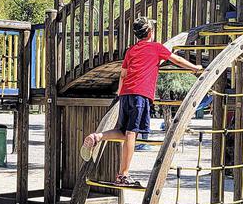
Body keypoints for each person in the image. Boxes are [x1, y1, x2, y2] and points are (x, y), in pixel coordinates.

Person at [80, 16, 202, 186]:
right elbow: (177, 60)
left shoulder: (131, 51)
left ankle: (97, 136)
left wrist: (119, 94)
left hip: (126, 95)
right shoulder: (156, 48)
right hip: (140, 96)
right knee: (132, 134)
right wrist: (195, 68)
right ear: (151, 32)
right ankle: (123, 175)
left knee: (122, 132)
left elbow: (123, 74)